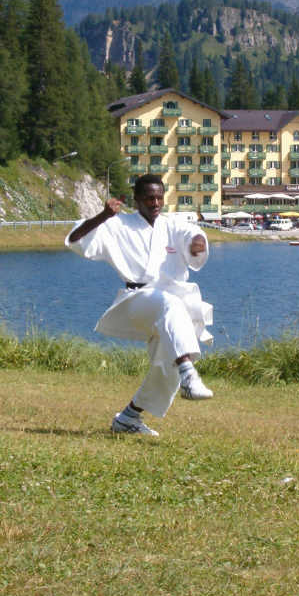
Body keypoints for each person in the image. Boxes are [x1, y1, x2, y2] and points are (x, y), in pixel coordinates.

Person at [65, 174, 214, 437]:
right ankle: (190, 373)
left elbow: (191, 234)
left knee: (166, 365)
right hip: (136, 301)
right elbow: (76, 239)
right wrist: (102, 216)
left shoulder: (172, 225)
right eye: (149, 198)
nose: (155, 202)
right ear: (136, 200)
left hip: (171, 307)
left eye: (159, 197)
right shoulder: (117, 225)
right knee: (169, 303)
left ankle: (128, 417)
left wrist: (197, 243)